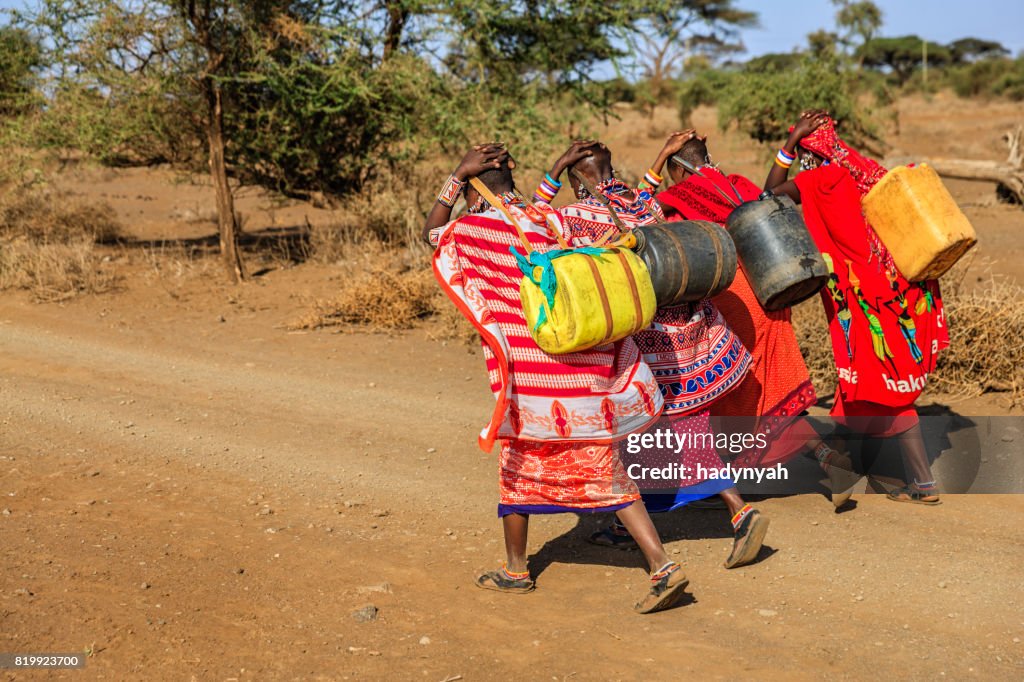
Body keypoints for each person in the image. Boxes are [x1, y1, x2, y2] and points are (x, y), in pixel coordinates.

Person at [424, 143, 690, 613]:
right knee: (607, 473)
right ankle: (661, 566)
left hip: (533, 387)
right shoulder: (547, 222)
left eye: (467, 194)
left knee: (518, 472)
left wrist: (455, 176)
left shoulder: (472, 231)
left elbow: (431, 235)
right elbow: (540, 205)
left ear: (475, 195)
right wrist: (554, 169)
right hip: (584, 377)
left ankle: (515, 572)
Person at [533, 135, 770, 569]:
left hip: (649, 345)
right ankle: (627, 526)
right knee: (653, 434)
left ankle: (740, 511)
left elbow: (531, 221)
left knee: (665, 432)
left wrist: (555, 169)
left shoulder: (575, 217)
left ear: (577, 184)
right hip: (694, 333)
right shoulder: (645, 205)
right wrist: (659, 159)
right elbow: (643, 190)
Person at [764, 111, 950, 505]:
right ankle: (846, 463)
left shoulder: (817, 179)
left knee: (886, 387)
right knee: (861, 384)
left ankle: (923, 482)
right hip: (898, 292)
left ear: (807, 149)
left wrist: (788, 143)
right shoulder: (864, 169)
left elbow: (769, 194)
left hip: (861, 300)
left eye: (801, 149)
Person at [656, 133, 852, 504]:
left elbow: (646, 226)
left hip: (734, 302)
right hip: (773, 291)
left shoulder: (678, 199)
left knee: (734, 392)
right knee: (776, 384)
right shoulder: (737, 184)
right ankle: (827, 458)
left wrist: (657, 160)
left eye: (670, 173)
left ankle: (722, 481)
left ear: (678, 171)